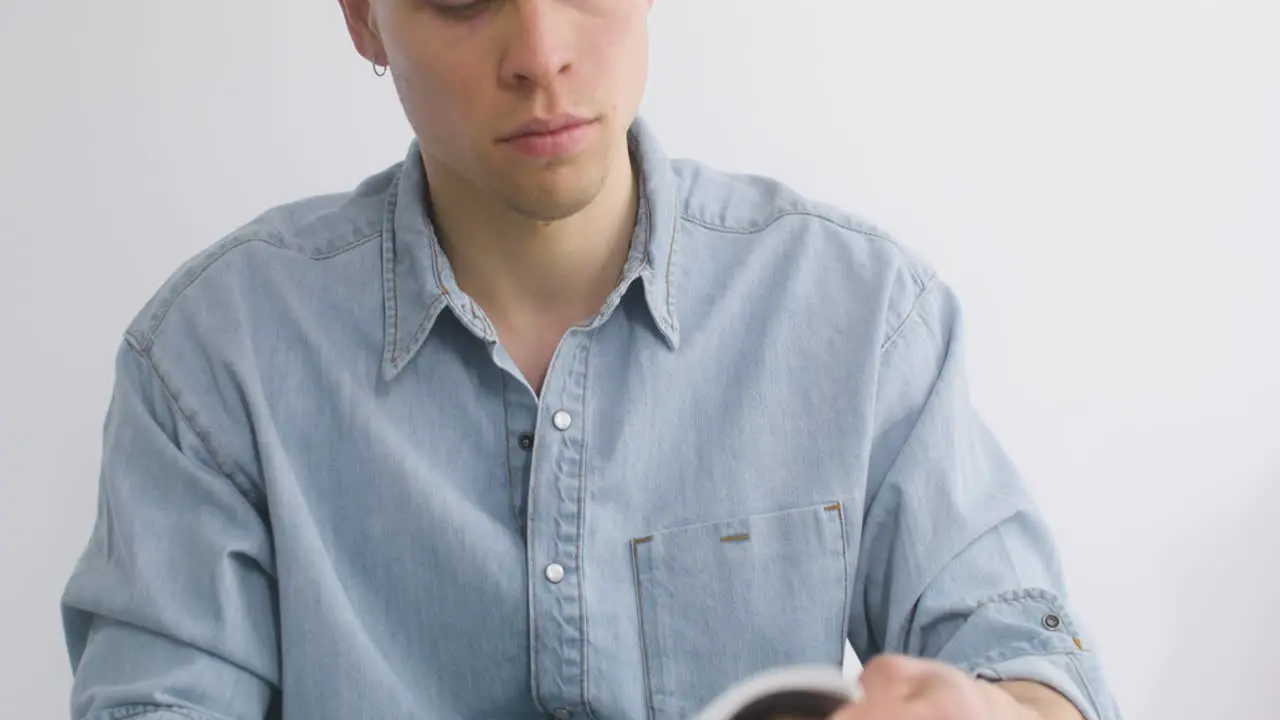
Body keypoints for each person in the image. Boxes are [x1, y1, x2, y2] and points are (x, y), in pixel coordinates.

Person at [59, 1, 1122, 719]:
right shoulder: (211, 362)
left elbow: (1029, 659)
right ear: (360, 17)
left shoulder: (859, 314)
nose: (539, 52)